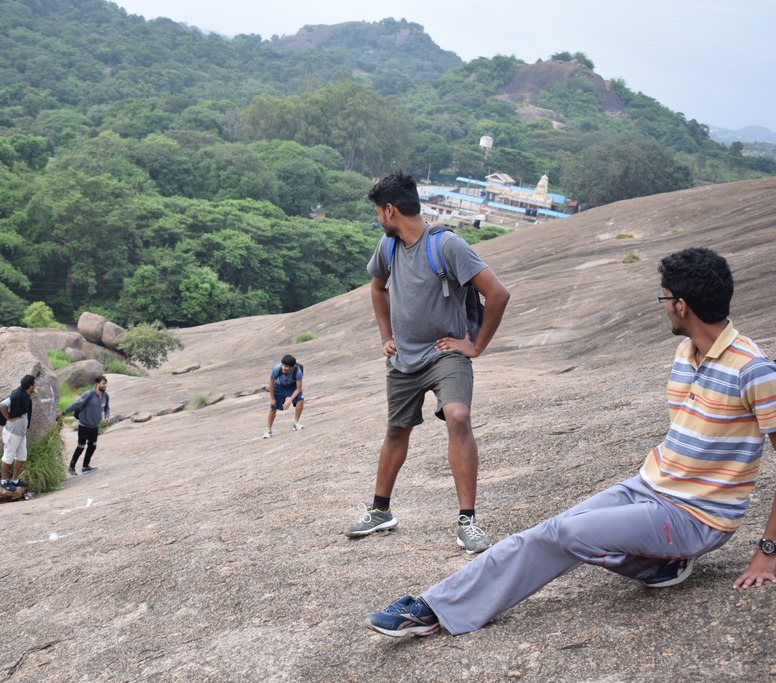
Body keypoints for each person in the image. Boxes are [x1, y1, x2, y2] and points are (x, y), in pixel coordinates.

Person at [363, 247, 776, 638]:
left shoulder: (753, 370)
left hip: (695, 516)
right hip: (650, 488)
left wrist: (768, 551)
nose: (664, 305)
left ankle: (436, 611)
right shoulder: (687, 351)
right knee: (549, 531)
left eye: (664, 298)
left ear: (682, 306)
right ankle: (434, 605)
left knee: (567, 533)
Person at [344, 170, 511, 556]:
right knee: (396, 431)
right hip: (403, 356)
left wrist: (475, 346)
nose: (378, 219)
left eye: (377, 212)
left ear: (390, 210)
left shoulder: (448, 245)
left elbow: (498, 294)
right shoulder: (388, 247)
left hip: (444, 353)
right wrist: (386, 336)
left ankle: (467, 521)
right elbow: (377, 286)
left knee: (458, 417)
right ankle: (380, 511)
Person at [58, 375, 110, 476]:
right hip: (84, 426)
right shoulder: (89, 394)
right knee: (80, 447)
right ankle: (71, 467)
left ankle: (85, 467)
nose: (105, 386)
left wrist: (107, 416)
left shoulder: (105, 396)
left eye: (106, 384)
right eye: (103, 384)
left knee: (92, 446)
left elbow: (107, 408)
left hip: (94, 426)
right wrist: (63, 413)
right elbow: (76, 404)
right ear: (97, 384)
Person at [0, 374, 35, 491]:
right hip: (12, 433)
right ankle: (4, 481)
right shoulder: (17, 394)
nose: (35, 385)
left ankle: (15, 479)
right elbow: (2, 404)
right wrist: (8, 417)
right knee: (8, 457)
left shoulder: (25, 395)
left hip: (21, 433)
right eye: (34, 383)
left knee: (21, 456)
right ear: (30, 385)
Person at [263, 355, 305, 438]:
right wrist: (272, 398)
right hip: (279, 387)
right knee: (273, 407)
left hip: (292, 386)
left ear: (291, 367)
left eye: (286, 366)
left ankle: (296, 422)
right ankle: (268, 430)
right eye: (283, 365)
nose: (283, 367)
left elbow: (298, 389)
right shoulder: (277, 369)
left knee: (300, 399)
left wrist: (289, 401)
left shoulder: (297, 371)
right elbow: (271, 382)